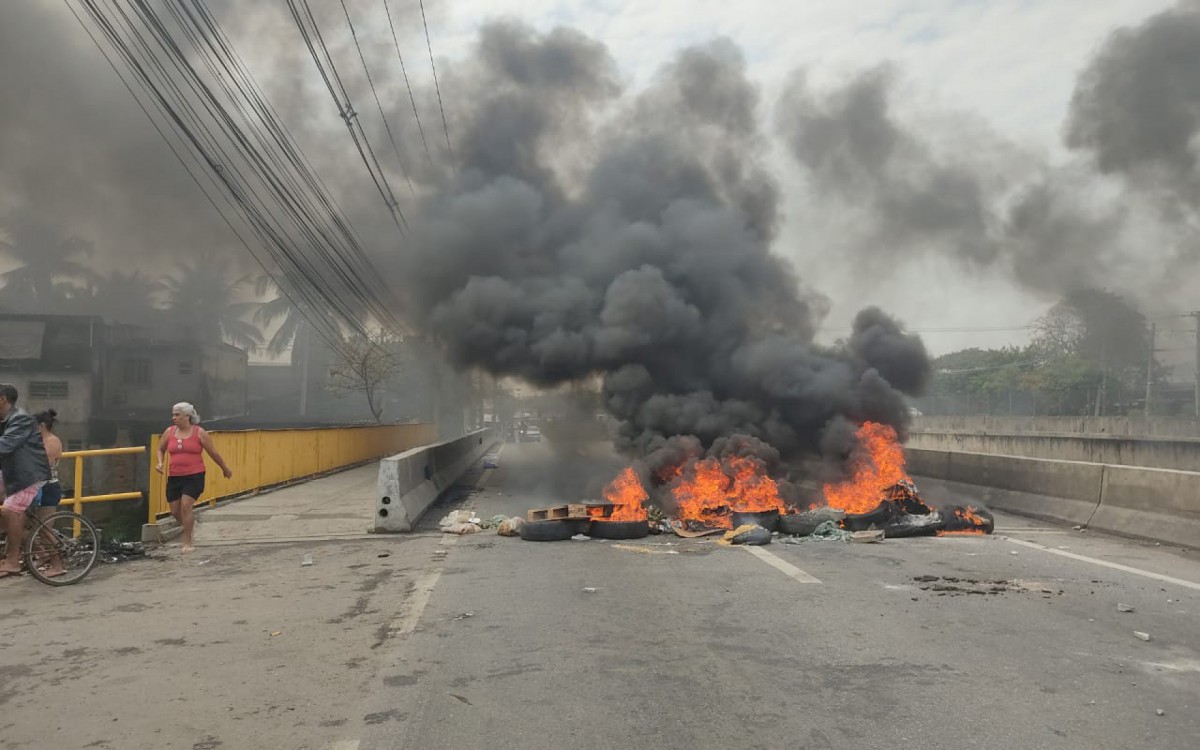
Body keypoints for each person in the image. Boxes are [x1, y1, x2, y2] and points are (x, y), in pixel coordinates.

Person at [155, 402, 232, 553]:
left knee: (186, 506)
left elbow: (213, 453)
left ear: (188, 416)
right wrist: (160, 462)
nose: (174, 418)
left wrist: (225, 468)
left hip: (194, 475)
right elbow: (160, 448)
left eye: (177, 415)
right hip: (175, 476)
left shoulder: (199, 432)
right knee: (175, 511)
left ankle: (187, 541)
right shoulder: (169, 432)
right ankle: (189, 527)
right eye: (173, 414)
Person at [0, 384, 51, 577]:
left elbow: (5, 445)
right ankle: (35, 548)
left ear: (3, 398)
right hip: (12, 472)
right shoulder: (5, 419)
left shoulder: (20, 419)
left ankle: (14, 561)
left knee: (9, 510)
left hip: (28, 475)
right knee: (9, 514)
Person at [32, 409, 65, 578]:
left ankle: (57, 565)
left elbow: (43, 465)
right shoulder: (39, 440)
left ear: (42, 425)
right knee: (24, 526)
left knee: (45, 529)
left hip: (48, 488)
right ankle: (43, 555)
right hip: (35, 488)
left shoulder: (52, 441)